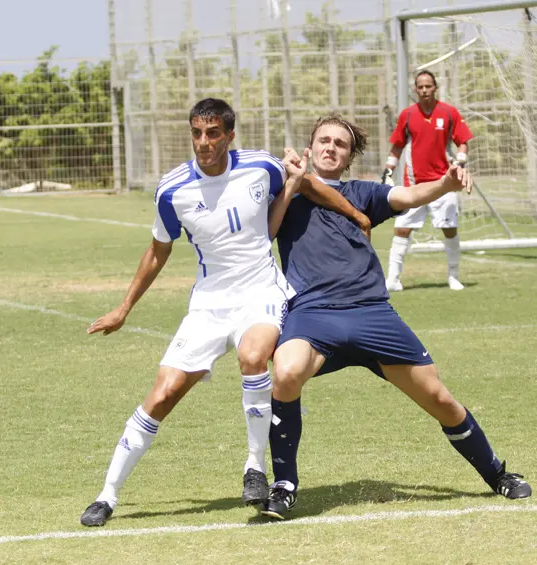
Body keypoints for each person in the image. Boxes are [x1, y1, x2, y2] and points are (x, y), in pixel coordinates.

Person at [79, 98, 372, 527]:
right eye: (197, 133)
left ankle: (255, 466)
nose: (204, 142)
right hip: (209, 302)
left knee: (254, 357)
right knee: (162, 395)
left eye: (213, 133)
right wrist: (124, 308)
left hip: (261, 292)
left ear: (229, 135)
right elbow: (157, 252)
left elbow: (305, 183)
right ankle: (107, 494)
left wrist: (354, 212)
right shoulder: (172, 190)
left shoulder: (260, 167)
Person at [261, 114, 531, 520]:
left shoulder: (363, 193)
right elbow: (263, 235)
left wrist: (446, 183)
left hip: (373, 313)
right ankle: (284, 485)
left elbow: (407, 197)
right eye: (324, 141)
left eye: (340, 143)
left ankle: (497, 473)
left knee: (440, 398)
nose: (331, 147)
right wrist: (292, 183)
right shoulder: (285, 191)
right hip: (313, 312)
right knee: (285, 372)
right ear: (310, 147)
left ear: (349, 156)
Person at [382, 70, 473, 292]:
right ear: (415, 89)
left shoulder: (449, 113)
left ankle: (453, 277)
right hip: (414, 186)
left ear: (435, 87)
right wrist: (388, 169)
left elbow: (462, 141)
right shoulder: (408, 115)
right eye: (420, 87)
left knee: (449, 228)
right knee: (402, 229)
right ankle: (392, 280)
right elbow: (397, 145)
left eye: (428, 86)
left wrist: (460, 162)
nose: (424, 90)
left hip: (444, 183)